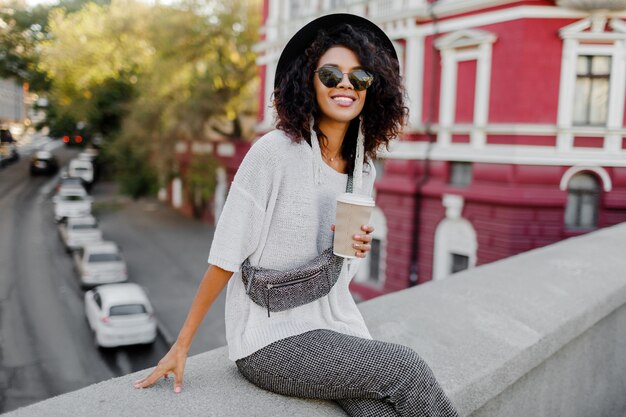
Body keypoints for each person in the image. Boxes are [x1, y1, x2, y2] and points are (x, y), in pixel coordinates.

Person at [134, 13, 459, 417]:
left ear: (373, 91)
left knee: (375, 411)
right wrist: (181, 344)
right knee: (405, 368)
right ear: (308, 82)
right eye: (330, 74)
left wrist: (353, 250)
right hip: (267, 340)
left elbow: (338, 279)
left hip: (332, 327)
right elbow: (226, 254)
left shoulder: (363, 170)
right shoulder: (273, 153)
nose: (346, 85)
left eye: (359, 78)